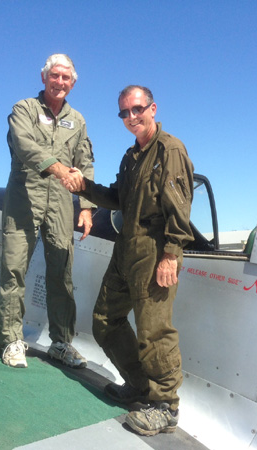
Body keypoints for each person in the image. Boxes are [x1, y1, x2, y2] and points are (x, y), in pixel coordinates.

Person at [63, 85, 194, 436]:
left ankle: (165, 406)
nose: (131, 117)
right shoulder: (130, 157)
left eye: (137, 109)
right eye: (124, 112)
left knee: (154, 332)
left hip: (155, 250)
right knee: (105, 320)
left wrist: (171, 255)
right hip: (126, 249)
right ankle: (139, 385)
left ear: (152, 108)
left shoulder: (170, 150)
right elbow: (117, 198)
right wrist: (83, 187)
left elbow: (180, 209)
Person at [0, 54, 95, 370]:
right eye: (55, 75)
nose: (60, 82)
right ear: (44, 78)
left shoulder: (77, 120)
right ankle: (11, 340)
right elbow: (23, 144)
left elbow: (85, 163)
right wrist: (57, 168)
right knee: (14, 268)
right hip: (24, 196)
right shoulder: (24, 109)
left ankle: (61, 343)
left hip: (61, 202)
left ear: (73, 83)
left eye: (66, 77)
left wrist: (87, 207)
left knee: (61, 272)